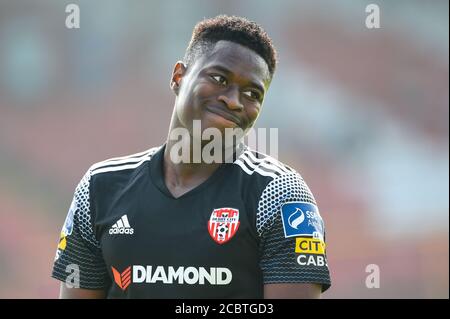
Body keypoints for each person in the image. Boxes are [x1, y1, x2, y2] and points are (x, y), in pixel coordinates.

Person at [51, 15, 331, 299]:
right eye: (219, 78)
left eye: (252, 93)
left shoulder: (279, 194)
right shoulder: (101, 188)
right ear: (178, 77)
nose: (234, 101)